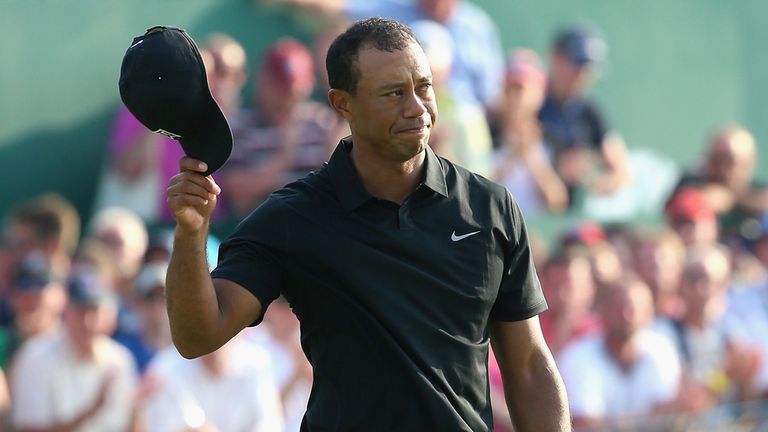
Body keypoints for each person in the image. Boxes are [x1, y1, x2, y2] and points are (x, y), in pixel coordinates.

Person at [166, 17, 569, 431]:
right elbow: (198, 335)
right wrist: (190, 235)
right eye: (393, 93)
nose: (417, 107)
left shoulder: (491, 208)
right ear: (343, 105)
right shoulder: (291, 217)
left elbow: (529, 367)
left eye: (423, 87)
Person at [9, 269, 137, 432]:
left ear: (109, 316)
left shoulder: (121, 360)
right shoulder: (35, 356)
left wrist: (139, 408)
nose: (88, 321)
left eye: (94, 311)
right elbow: (26, 429)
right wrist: (91, 410)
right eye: (80, 311)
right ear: (66, 311)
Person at [538, 24, 630, 201]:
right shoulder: (531, 103)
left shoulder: (590, 111)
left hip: (573, 211)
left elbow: (622, 171)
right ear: (555, 57)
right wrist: (557, 169)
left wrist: (591, 175)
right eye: (576, 64)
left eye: (588, 68)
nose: (582, 74)